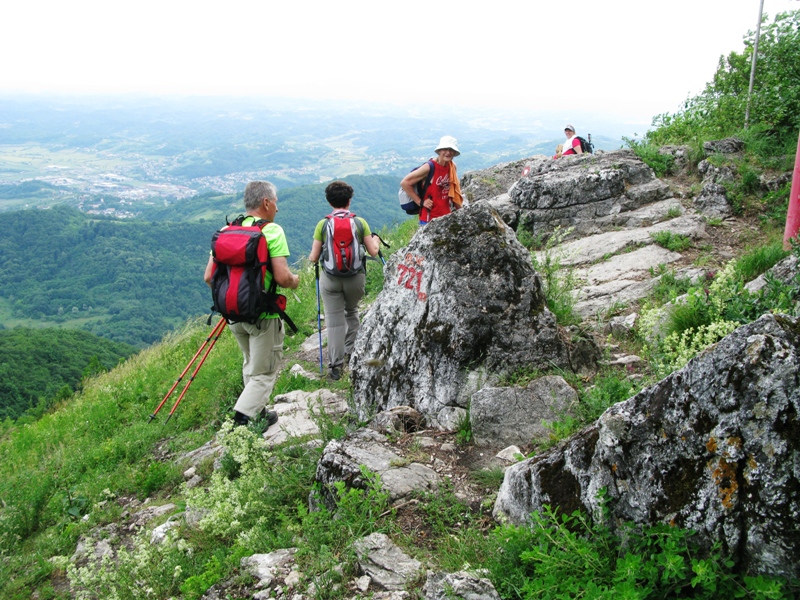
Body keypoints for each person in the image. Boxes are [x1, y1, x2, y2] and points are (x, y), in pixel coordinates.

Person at [203, 180, 300, 427]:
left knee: (251, 364)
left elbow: (208, 278)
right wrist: (295, 281)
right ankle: (243, 421)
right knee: (265, 372)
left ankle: (259, 413)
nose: (277, 209)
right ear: (266, 202)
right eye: (275, 203)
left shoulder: (226, 231)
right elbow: (282, 277)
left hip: (233, 314)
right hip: (263, 315)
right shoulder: (272, 231)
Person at [308, 181, 380, 381]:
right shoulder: (359, 223)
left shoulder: (323, 224)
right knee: (352, 312)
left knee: (334, 322)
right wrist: (375, 240)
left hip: (330, 279)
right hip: (355, 278)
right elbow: (373, 251)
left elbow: (313, 257)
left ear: (329, 201)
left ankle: (335, 367)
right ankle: (351, 353)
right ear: (349, 200)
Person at [400, 135, 464, 224]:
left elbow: (453, 190)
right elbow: (405, 183)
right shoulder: (429, 167)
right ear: (439, 151)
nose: (448, 152)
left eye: (451, 150)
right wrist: (421, 202)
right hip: (429, 219)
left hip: (447, 216)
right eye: (445, 149)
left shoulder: (452, 167)